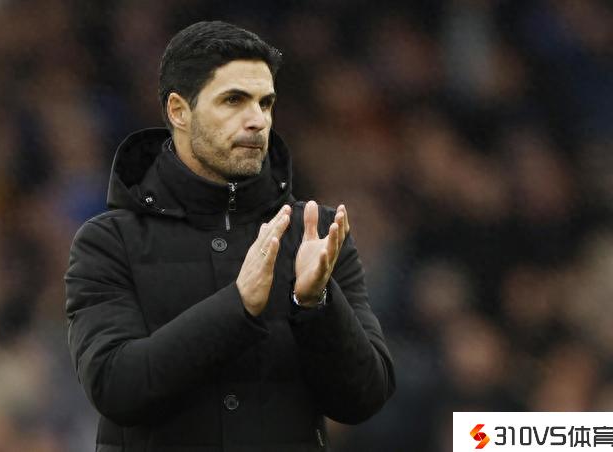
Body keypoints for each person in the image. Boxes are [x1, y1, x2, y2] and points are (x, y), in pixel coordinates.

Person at [65, 20, 395, 452]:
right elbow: (115, 387)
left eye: (265, 103)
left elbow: (365, 398)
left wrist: (315, 304)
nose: (257, 120)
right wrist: (236, 307)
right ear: (179, 111)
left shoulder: (315, 233)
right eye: (234, 100)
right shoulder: (107, 242)